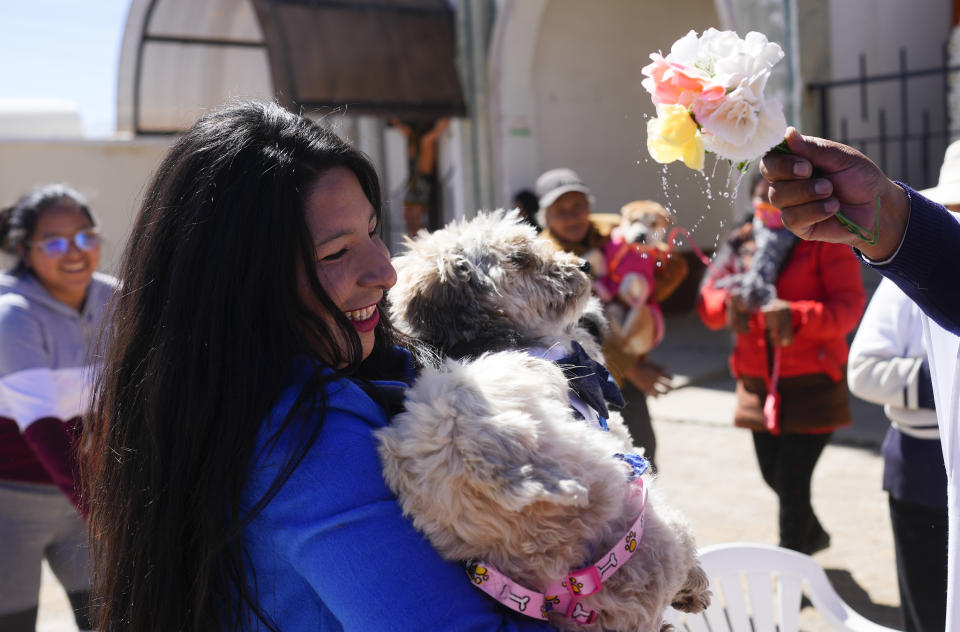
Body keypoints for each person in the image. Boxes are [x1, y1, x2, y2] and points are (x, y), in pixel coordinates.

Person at [83, 101, 557, 632]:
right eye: (336, 254)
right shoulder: (306, 434)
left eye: (375, 231)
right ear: (240, 286)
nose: (385, 273)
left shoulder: (220, 404)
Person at [760, 128, 960, 630]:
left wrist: (802, 316)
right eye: (951, 213)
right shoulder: (908, 277)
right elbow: (867, 368)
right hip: (918, 465)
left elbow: (841, 308)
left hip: (813, 387)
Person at [696, 173, 866, 554]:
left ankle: (791, 574)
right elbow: (709, 300)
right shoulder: (741, 238)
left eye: (781, 194)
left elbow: (849, 307)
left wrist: (796, 315)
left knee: (791, 485)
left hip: (813, 384)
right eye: (763, 192)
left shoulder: (826, 239)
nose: (770, 201)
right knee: (773, 477)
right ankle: (813, 535)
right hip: (757, 384)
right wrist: (728, 306)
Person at [0, 184, 114, 632]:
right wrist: (104, 513)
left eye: (85, 236)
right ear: (23, 250)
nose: (74, 252)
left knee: (114, 619)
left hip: (83, 494)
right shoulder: (13, 315)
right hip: (11, 502)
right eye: (53, 241)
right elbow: (44, 428)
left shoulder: (118, 300)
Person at [535, 168, 687, 469]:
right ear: (545, 217)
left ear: (589, 206)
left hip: (625, 376)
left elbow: (668, 272)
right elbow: (565, 330)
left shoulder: (615, 232)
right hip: (576, 382)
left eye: (578, 206)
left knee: (643, 458)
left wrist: (655, 261)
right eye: (560, 210)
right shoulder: (541, 258)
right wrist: (631, 368)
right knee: (597, 468)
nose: (572, 216)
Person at [848, 278, 946, 632]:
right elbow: (863, 371)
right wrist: (947, 379)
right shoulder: (908, 278)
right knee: (931, 611)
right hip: (926, 471)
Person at [389, 116, 451, 235]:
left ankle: (418, 235)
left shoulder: (420, 142)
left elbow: (414, 135)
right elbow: (408, 132)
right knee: (412, 213)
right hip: (419, 180)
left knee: (410, 213)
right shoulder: (416, 141)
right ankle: (418, 235)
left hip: (418, 180)